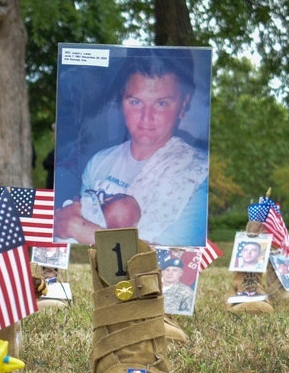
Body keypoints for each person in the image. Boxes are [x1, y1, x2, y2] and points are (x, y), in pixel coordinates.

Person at [55, 51, 208, 246]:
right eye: (136, 102)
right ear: (122, 100)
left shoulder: (197, 175)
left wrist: (79, 228)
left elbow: (170, 263)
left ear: (183, 105)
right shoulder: (99, 162)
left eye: (161, 103)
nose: (146, 118)